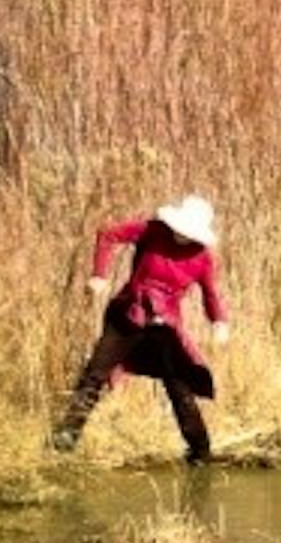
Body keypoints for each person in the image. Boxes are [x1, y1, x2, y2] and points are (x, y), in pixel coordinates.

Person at [51, 195, 231, 465]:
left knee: (179, 388)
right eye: (179, 229)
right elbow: (108, 234)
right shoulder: (154, 230)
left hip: (165, 327)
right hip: (129, 313)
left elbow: (210, 294)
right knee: (94, 374)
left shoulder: (201, 258)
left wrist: (219, 322)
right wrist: (99, 275)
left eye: (187, 232)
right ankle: (65, 439)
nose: (181, 236)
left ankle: (200, 452)